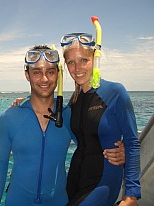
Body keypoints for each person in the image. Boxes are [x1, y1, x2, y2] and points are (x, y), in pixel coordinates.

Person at [0, 45, 125, 206]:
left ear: (58, 75)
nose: (44, 79)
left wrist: (121, 150)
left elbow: (92, 146)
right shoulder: (9, 118)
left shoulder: (68, 115)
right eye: (37, 72)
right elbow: (0, 165)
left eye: (50, 72)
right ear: (27, 75)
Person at [60, 33, 141, 206]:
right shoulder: (73, 102)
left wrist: (131, 196)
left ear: (94, 60)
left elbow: (132, 142)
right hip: (75, 178)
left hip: (104, 180)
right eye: (71, 62)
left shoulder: (115, 92)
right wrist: (26, 102)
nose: (77, 68)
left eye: (83, 60)